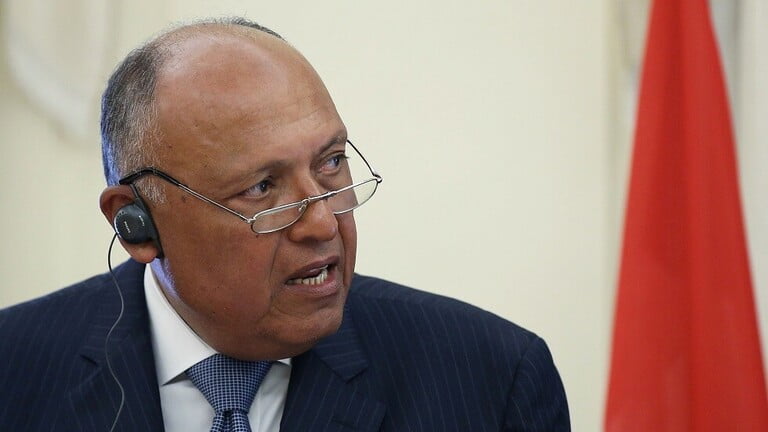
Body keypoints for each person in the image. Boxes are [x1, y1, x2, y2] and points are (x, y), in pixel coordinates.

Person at [0, 17, 570, 431]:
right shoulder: (14, 370)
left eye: (331, 163)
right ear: (137, 224)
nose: (322, 222)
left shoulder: (492, 378)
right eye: (262, 188)